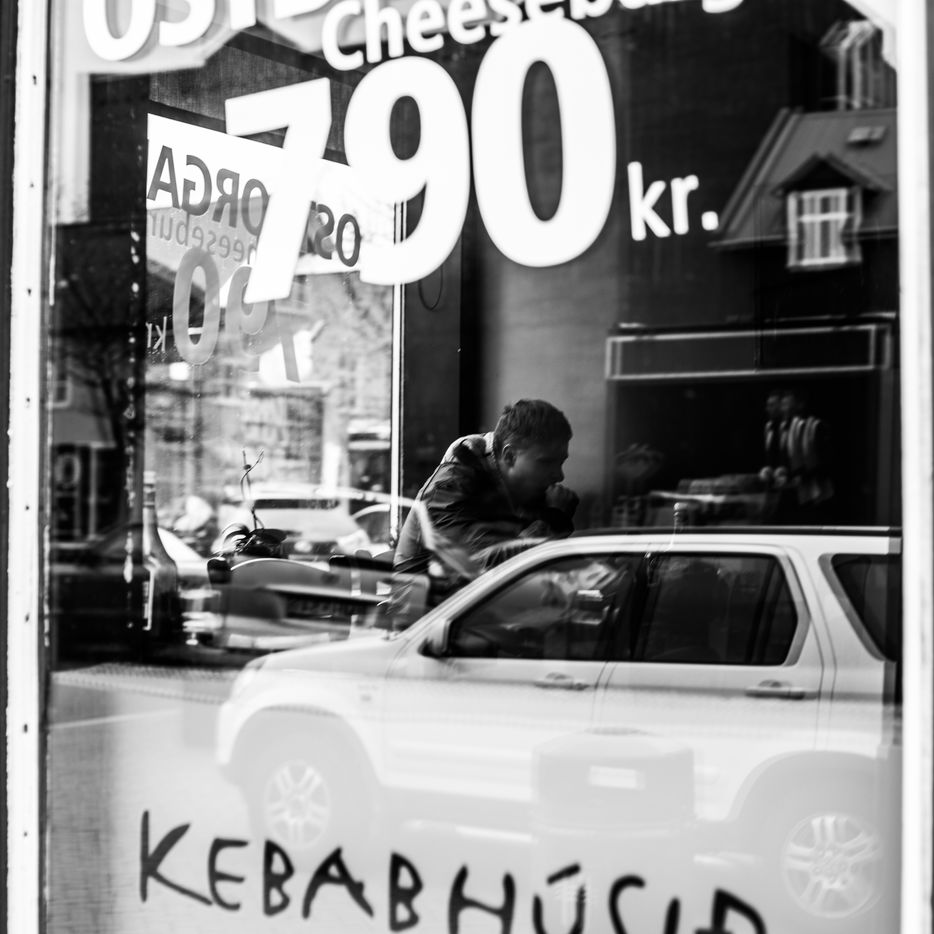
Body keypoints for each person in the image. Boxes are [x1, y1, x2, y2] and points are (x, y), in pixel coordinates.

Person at [393, 399, 579, 587]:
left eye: (560, 463)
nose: (559, 475)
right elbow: (481, 570)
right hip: (424, 603)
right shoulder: (450, 486)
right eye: (546, 462)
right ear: (509, 456)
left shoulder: (523, 487)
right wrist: (554, 520)